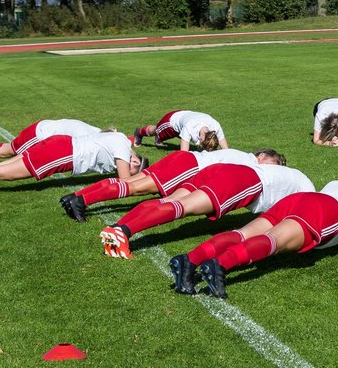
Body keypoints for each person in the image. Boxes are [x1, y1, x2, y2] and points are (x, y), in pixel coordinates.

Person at [170, 180, 338, 298]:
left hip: (301, 199)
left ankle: (189, 261)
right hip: (326, 211)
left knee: (243, 233)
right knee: (273, 241)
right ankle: (221, 266)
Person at [99, 162, 314, 258]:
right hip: (247, 180)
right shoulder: (309, 191)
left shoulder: (289, 175)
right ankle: (124, 232)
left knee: (170, 201)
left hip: (223, 169)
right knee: (184, 207)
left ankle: (117, 227)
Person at [59, 147, 286, 222]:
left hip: (185, 159)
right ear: (263, 156)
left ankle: (76, 196)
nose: (273, 169)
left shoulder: (239, 153)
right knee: (134, 187)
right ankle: (81, 200)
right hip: (190, 166)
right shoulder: (249, 161)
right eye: (274, 163)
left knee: (131, 181)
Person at [0, 131, 145, 197]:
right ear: (134, 159)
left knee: (0, 170)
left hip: (59, 145)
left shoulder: (122, 143)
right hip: (61, 153)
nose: (130, 167)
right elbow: (125, 182)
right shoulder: (123, 151)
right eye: (136, 166)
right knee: (1, 173)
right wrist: (143, 183)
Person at [0, 118, 103, 166]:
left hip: (44, 130)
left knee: (10, 151)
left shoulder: (98, 133)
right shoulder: (88, 137)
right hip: (38, 135)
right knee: (8, 151)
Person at [132, 109, 228, 152]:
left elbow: (226, 149)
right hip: (171, 121)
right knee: (156, 130)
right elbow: (184, 153)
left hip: (186, 116)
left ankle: (159, 139)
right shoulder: (189, 127)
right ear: (202, 138)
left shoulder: (215, 126)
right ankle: (139, 132)